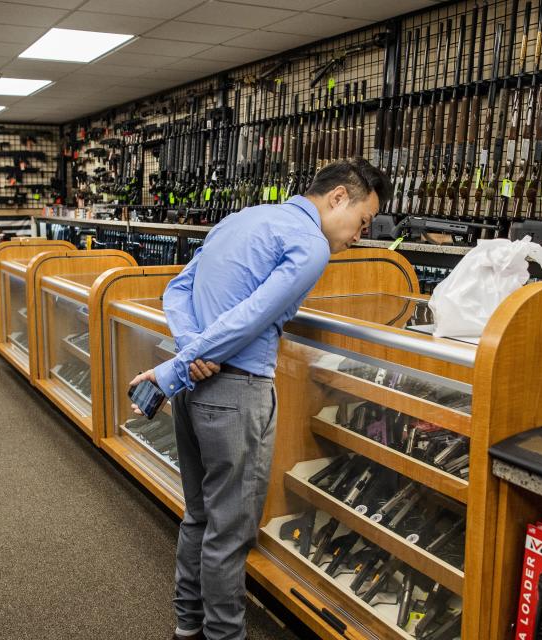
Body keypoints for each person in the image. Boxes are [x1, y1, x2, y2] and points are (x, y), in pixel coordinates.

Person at [128, 158, 392, 640]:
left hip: (194, 390)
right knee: (229, 535)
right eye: (363, 221)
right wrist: (182, 364)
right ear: (338, 198)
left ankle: (187, 630)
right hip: (234, 393)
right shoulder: (311, 245)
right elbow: (252, 316)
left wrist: (189, 352)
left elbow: (178, 288)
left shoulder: (242, 217)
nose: (359, 235)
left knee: (199, 519)